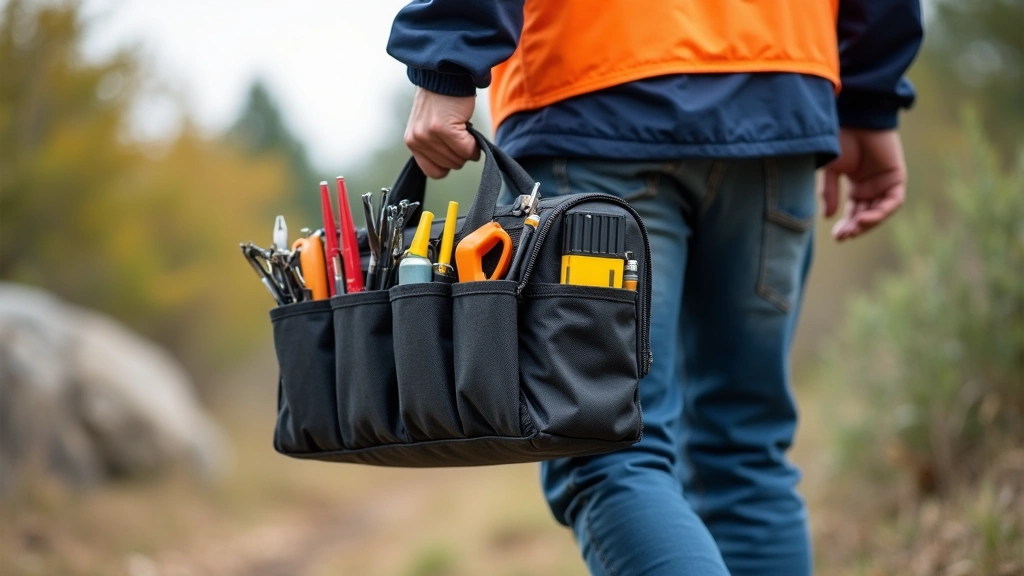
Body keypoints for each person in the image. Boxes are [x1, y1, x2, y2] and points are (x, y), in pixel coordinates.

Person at [387, 2, 922, 574]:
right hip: (781, 95)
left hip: (596, 92)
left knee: (606, 451)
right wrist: (869, 98)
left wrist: (449, 55)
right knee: (746, 455)